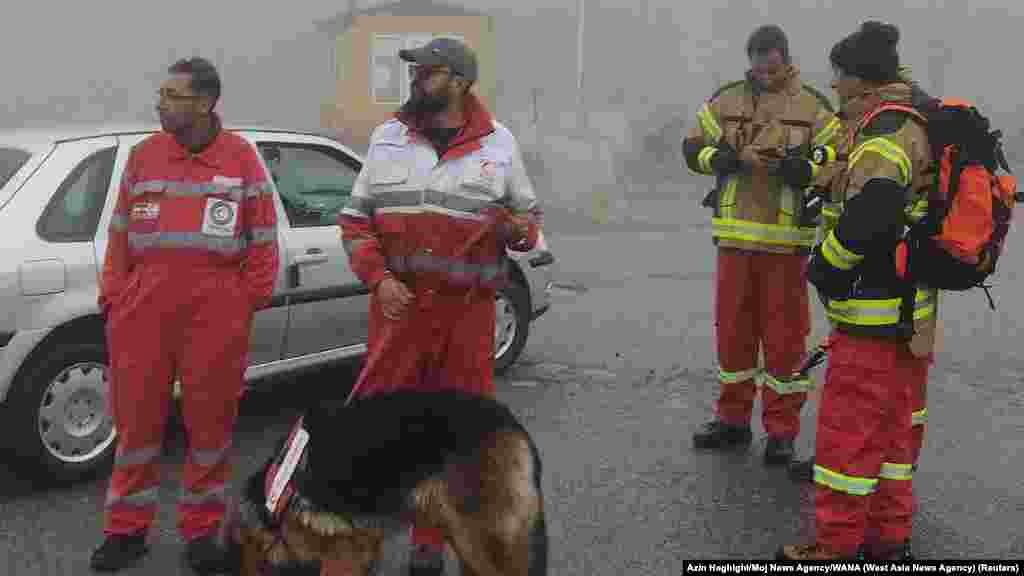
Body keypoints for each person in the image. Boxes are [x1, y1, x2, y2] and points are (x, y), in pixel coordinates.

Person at [338, 37, 541, 576]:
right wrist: (378, 280)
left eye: (428, 71)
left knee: (457, 439)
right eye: (415, 70)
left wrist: (516, 229)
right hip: (398, 312)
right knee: (379, 433)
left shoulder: (499, 144)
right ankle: (358, 542)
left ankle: (429, 546)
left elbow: (529, 224)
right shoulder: (387, 137)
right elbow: (355, 221)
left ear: (461, 81)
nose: (416, 78)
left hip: (467, 318)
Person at [90, 57, 279, 573]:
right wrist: (116, 296)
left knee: (210, 430)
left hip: (216, 314)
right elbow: (119, 234)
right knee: (136, 429)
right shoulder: (144, 156)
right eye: (162, 94)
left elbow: (263, 240)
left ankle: (201, 533)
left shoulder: (240, 159)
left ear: (205, 102)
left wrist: (244, 303)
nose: (160, 103)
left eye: (172, 96)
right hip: (142, 312)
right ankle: (126, 532)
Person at [778, 21, 937, 561]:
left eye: (840, 74)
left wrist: (826, 265)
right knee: (892, 437)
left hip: (871, 315)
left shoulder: (884, 134)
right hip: (907, 314)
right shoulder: (906, 122)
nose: (834, 84)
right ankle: (888, 538)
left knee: (847, 438)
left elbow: (872, 213)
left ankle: (835, 545)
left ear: (861, 79)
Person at [682, 25, 842, 466]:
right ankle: (732, 420)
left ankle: (782, 432)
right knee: (732, 338)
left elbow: (839, 157)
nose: (763, 73)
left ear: (785, 59)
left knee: (785, 344)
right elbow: (692, 148)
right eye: (757, 65)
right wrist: (725, 159)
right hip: (734, 241)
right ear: (749, 60)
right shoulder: (727, 99)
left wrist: (805, 169)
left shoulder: (812, 104)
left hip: (786, 248)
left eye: (771, 65)